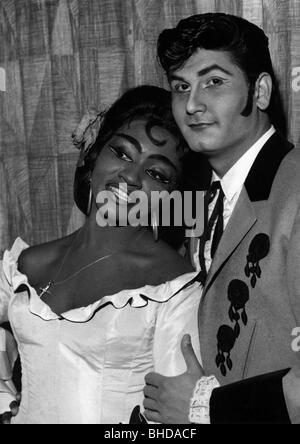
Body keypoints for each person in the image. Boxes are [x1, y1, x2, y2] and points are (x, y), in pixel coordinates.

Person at [0, 85, 202, 424]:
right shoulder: (26, 263)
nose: (131, 177)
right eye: (123, 153)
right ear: (92, 158)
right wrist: (5, 405)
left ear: (172, 197)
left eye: (157, 174)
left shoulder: (175, 288)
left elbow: (176, 424)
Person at [143, 13, 300, 424]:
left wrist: (206, 409)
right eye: (181, 87)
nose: (192, 104)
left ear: (260, 91)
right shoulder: (203, 199)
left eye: (214, 82)